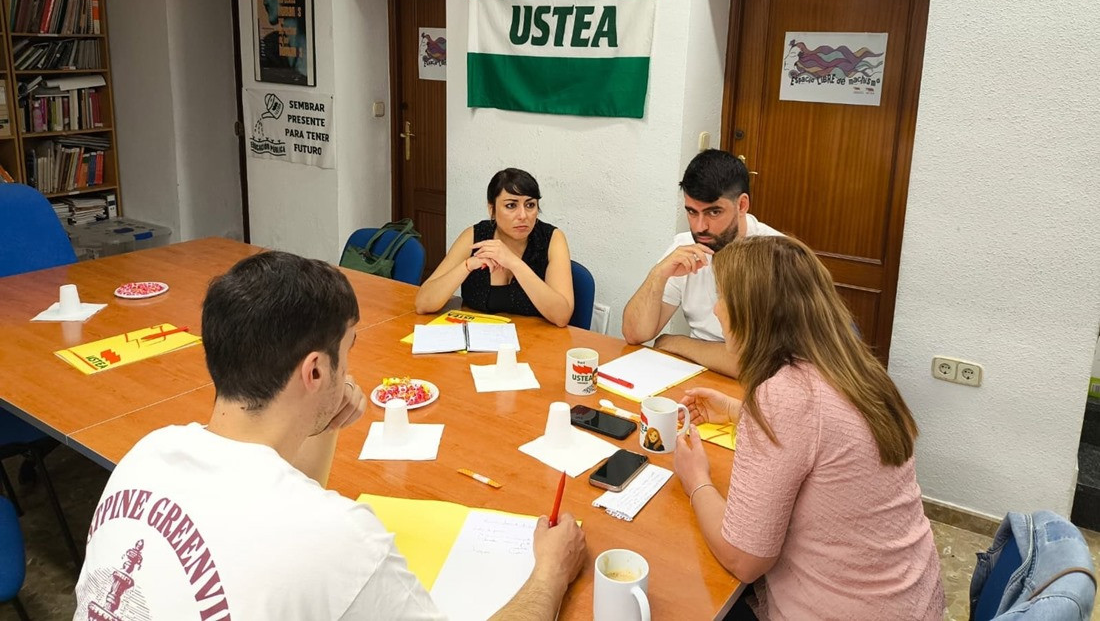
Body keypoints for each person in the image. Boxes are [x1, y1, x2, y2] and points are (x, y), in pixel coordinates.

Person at [73, 251, 586, 620]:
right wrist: (549, 575)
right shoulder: (341, 539)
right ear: (315, 370)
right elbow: (309, 530)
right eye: (350, 349)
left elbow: (285, 500)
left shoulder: (147, 454)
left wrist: (325, 423)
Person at [671, 236, 945, 621]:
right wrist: (740, 412)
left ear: (755, 314)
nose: (716, 310)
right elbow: (822, 436)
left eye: (723, 298)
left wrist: (696, 479)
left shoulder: (785, 397)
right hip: (909, 601)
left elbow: (744, 559)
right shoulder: (854, 369)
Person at [621, 149, 780, 376]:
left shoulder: (777, 256)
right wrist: (658, 275)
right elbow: (634, 334)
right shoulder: (685, 246)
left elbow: (754, 365)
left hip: (757, 390)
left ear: (742, 205)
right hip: (698, 373)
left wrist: (674, 342)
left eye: (714, 212)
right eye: (692, 212)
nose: (699, 227)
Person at [415, 168, 574, 326]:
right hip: (480, 341)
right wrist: (467, 266)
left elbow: (561, 317)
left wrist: (513, 262)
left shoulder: (552, 238)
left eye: (530, 205)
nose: (523, 215)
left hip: (537, 343)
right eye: (511, 205)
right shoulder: (475, 236)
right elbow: (423, 304)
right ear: (492, 209)